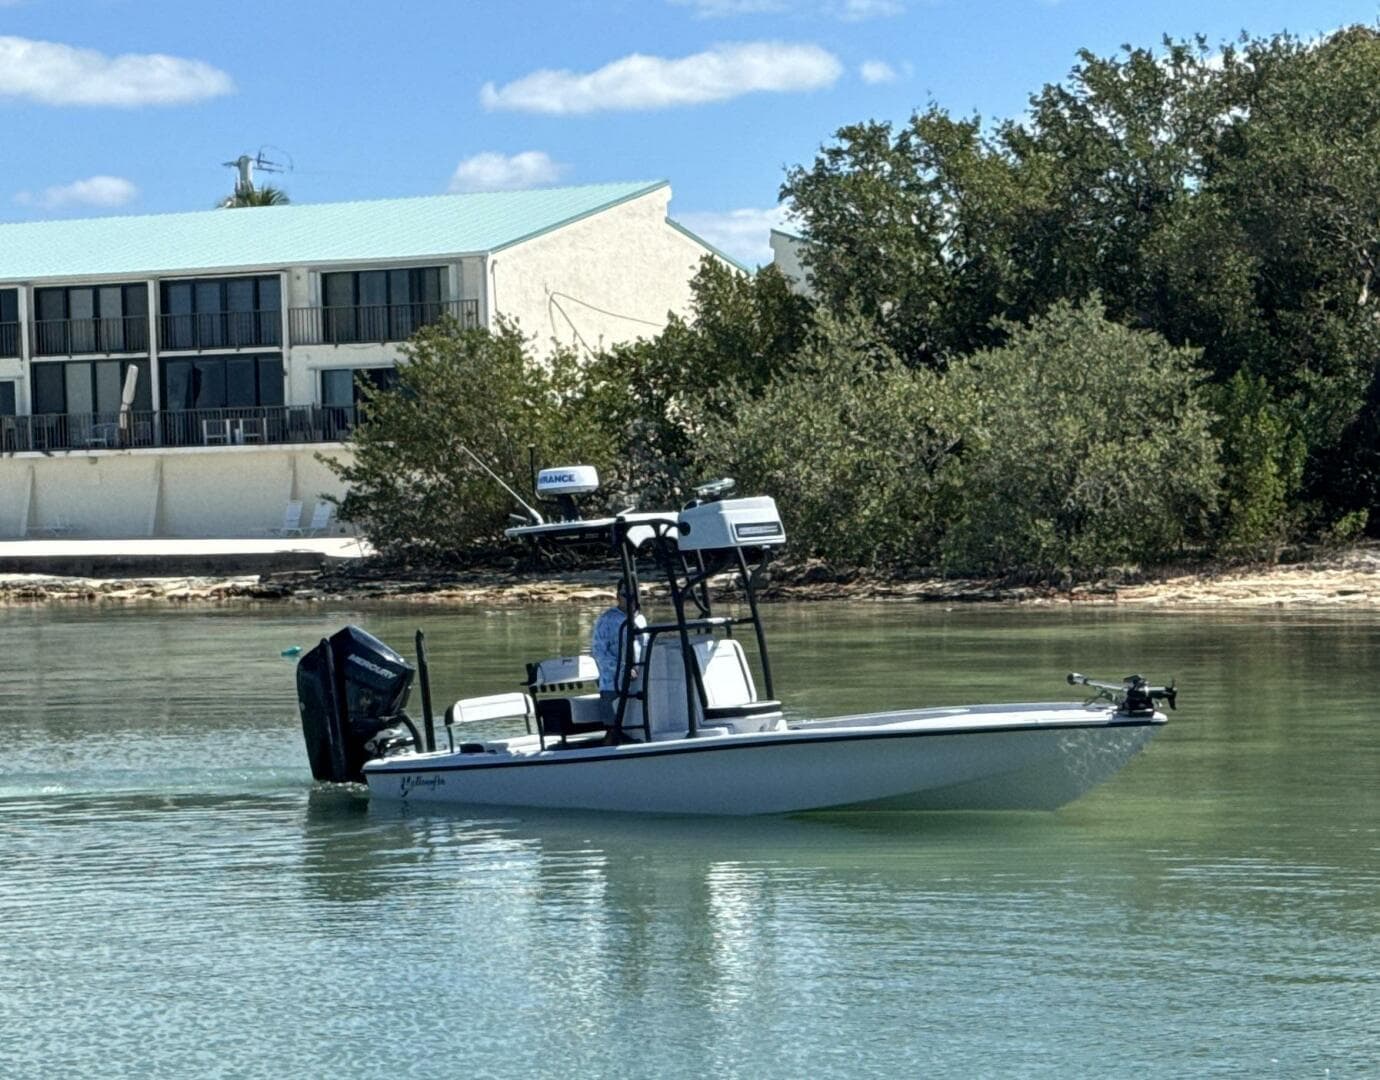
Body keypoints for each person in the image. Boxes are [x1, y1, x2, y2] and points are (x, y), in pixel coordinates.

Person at [590, 579, 647, 720]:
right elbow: (599, 653)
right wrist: (624, 669)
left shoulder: (641, 619)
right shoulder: (607, 620)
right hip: (613, 685)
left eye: (634, 595)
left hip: (639, 685)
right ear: (617, 596)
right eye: (625, 595)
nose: (630, 599)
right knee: (613, 726)